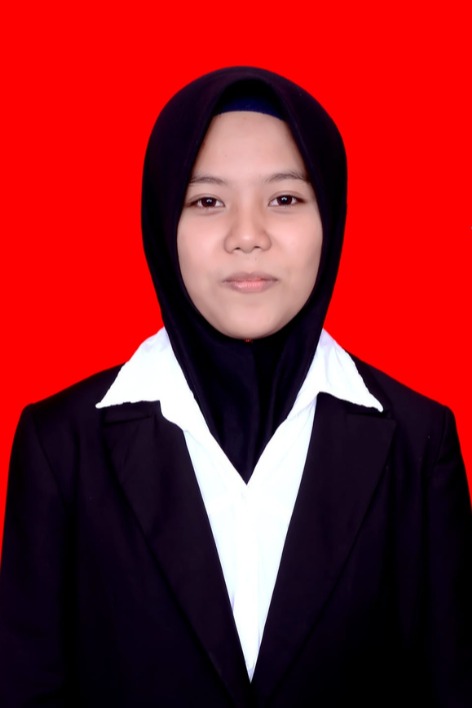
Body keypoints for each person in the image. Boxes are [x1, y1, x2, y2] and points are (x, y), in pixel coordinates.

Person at [0, 66, 470, 707]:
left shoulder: (419, 442)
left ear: (331, 215)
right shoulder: (62, 446)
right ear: (161, 220)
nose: (247, 236)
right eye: (207, 201)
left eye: (285, 199)